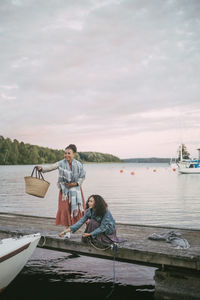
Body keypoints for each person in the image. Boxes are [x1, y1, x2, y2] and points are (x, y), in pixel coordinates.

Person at [37, 144, 86, 237]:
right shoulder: (61, 163)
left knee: (78, 210)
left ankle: (79, 227)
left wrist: (75, 183)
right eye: (65, 153)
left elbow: (82, 176)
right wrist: (42, 168)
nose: (66, 155)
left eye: (69, 153)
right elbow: (51, 167)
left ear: (74, 154)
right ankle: (67, 231)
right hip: (64, 191)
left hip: (76, 191)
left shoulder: (79, 164)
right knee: (64, 210)